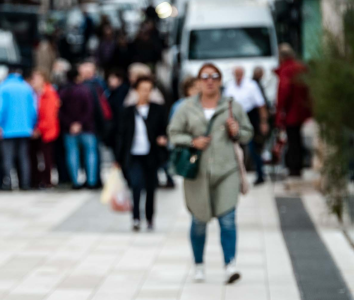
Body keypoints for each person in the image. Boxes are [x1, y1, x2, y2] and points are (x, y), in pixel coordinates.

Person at [168, 62, 253, 284]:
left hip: (227, 171)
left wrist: (237, 131)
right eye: (205, 76)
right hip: (197, 174)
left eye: (214, 76)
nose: (210, 80)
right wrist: (192, 141)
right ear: (197, 81)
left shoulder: (232, 106)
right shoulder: (186, 107)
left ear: (220, 81)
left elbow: (247, 134)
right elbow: (174, 134)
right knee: (199, 220)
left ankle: (230, 265)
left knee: (228, 219)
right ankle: (198, 264)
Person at [114, 76, 168, 231]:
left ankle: (150, 218)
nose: (146, 93)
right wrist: (118, 158)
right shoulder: (127, 111)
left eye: (149, 90)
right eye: (143, 89)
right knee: (136, 185)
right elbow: (121, 135)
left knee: (151, 188)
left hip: (151, 154)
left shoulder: (158, 109)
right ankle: (136, 217)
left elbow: (165, 129)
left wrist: (163, 139)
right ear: (136, 91)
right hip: (133, 154)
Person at [0, 65, 38, 191]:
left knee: (8, 158)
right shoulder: (26, 87)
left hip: (7, 129)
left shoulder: (2, 87)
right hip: (25, 128)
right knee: (24, 157)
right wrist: (32, 125)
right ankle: (25, 183)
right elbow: (33, 109)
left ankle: (9, 183)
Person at [224, 66, 269, 185]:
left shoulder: (251, 85)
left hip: (250, 117)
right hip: (235, 118)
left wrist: (263, 122)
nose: (238, 76)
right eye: (236, 74)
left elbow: (260, 104)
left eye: (240, 74)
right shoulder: (230, 86)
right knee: (234, 149)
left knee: (254, 147)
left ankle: (260, 174)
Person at [275, 44, 311, 178]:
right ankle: (298, 166)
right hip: (302, 110)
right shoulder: (301, 68)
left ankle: (294, 168)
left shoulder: (286, 70)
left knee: (293, 140)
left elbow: (284, 92)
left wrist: (280, 113)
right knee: (297, 139)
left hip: (291, 112)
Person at [59, 67, 99, 188]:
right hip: (87, 127)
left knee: (72, 154)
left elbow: (60, 111)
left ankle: (76, 181)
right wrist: (80, 123)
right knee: (90, 153)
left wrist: (71, 124)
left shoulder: (63, 91)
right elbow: (90, 109)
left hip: (69, 129)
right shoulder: (86, 90)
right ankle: (91, 181)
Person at [29, 68, 60, 189]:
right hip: (36, 129)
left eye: (36, 78)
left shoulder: (49, 93)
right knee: (33, 156)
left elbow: (49, 115)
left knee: (46, 157)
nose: (34, 81)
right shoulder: (33, 93)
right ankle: (37, 180)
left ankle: (47, 180)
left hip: (46, 131)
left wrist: (39, 129)